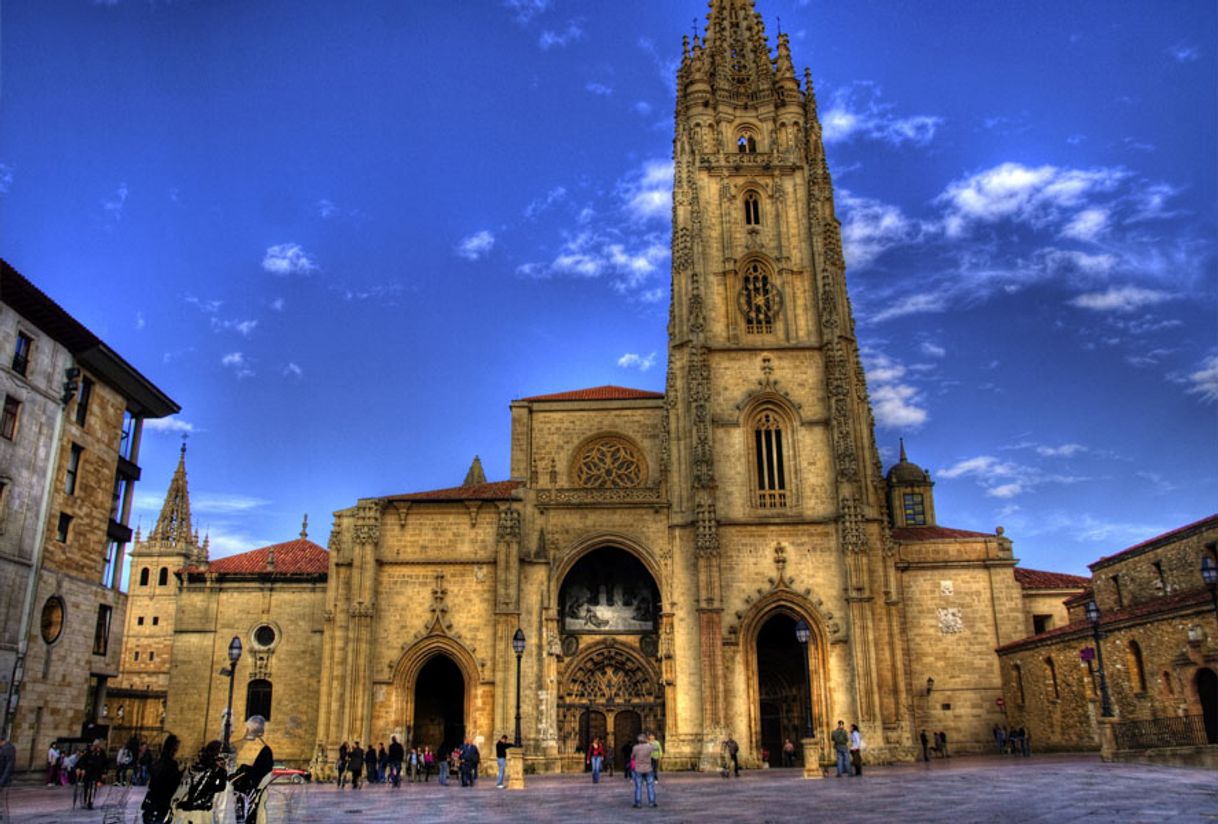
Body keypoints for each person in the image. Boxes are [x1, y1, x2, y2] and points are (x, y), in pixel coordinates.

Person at [169, 740, 228, 824]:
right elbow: (220, 800)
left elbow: (181, 789)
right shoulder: (218, 773)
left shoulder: (193, 767)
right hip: (201, 815)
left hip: (184, 813)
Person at [230, 715, 273, 824]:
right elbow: (266, 774)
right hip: (252, 792)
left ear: (247, 728)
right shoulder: (265, 749)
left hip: (236, 790)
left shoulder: (235, 746)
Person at [139, 734, 182, 824]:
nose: (178, 750)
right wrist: (181, 773)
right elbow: (172, 784)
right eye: (177, 747)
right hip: (162, 802)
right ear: (173, 748)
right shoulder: (171, 764)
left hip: (153, 801)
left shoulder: (158, 761)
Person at [629, 733, 656, 809]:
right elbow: (655, 747)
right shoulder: (649, 747)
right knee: (650, 786)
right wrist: (649, 742)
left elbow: (632, 756)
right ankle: (652, 802)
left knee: (638, 786)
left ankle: (638, 803)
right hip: (648, 768)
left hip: (638, 769)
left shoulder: (635, 748)